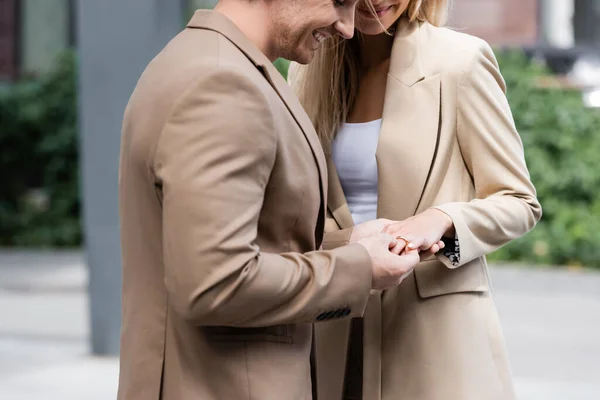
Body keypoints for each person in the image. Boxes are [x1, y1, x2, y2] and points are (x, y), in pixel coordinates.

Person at [117, 1, 442, 399]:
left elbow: (242, 243)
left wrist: (351, 244)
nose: (347, 28)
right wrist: (360, 269)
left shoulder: (199, 61)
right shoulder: (222, 84)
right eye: (340, 2)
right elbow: (216, 284)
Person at [290, 0, 543, 399]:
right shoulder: (306, 68)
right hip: (334, 318)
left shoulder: (461, 61)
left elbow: (518, 200)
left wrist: (443, 219)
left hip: (433, 332)